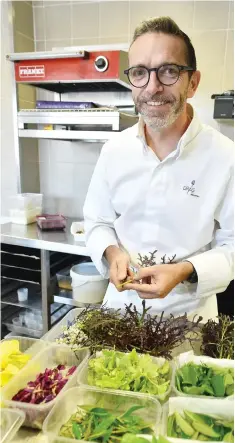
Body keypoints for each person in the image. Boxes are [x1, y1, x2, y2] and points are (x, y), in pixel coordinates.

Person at [83, 16, 234, 321]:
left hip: (190, 320)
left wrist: (185, 271)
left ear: (192, 82)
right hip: (118, 315)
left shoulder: (225, 156)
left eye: (169, 71)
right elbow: (97, 222)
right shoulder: (114, 151)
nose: (152, 87)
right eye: (140, 72)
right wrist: (113, 252)